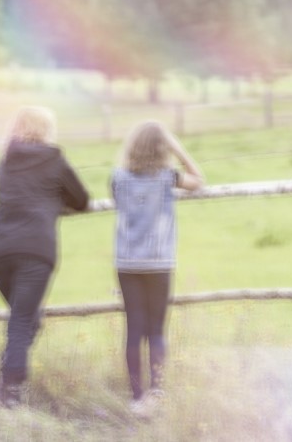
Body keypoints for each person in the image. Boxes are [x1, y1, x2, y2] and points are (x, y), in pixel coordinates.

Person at [0, 106, 90, 407]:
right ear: (47, 129)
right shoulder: (54, 159)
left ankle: (3, 383)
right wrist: (54, 199)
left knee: (28, 320)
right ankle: (10, 393)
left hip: (0, 252)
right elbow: (81, 200)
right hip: (35, 250)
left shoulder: (5, 160)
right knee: (22, 320)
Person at [111, 120, 204, 416]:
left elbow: (120, 202)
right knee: (156, 329)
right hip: (159, 261)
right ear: (162, 148)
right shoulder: (168, 177)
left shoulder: (118, 177)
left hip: (127, 262)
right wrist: (179, 149)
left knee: (134, 329)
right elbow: (198, 180)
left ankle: (137, 397)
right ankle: (158, 391)